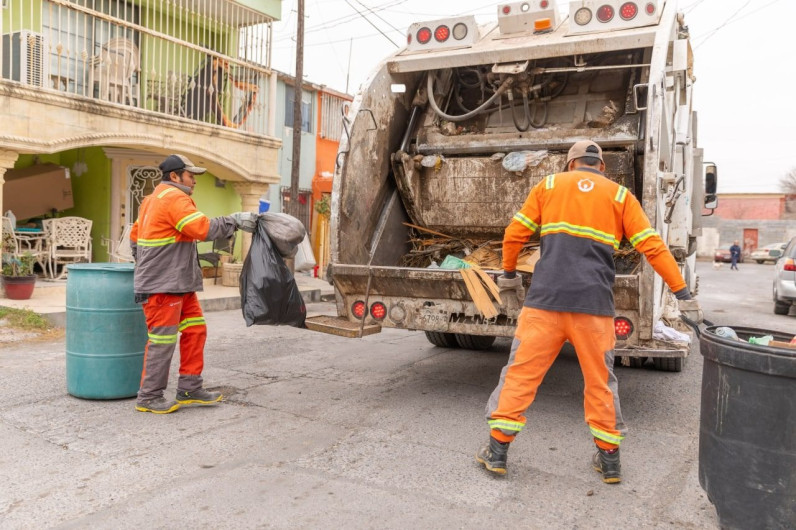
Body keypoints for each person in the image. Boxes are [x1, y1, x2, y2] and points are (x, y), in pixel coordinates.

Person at [476, 140, 703, 483]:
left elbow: (514, 234)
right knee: (600, 383)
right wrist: (681, 291)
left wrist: (508, 274)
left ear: (570, 164)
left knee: (521, 376)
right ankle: (610, 461)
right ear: (602, 167)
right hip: (594, 307)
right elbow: (653, 246)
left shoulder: (549, 185)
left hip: (545, 304)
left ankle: (497, 452)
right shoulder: (619, 196)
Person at [130, 154, 258, 414]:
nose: (195, 181)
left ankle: (189, 388)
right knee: (162, 341)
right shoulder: (175, 198)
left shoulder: (152, 200)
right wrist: (233, 220)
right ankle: (149, 396)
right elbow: (201, 229)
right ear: (174, 176)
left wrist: (147, 264)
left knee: (195, 330)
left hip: (176, 284)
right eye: (191, 175)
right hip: (164, 286)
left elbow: (135, 238)